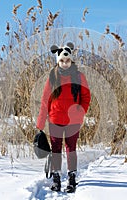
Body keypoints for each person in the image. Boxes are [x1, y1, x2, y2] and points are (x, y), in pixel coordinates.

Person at [36, 42, 91, 192]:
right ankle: (56, 178)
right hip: (55, 120)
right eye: (61, 61)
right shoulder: (52, 77)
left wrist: (81, 111)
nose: (65, 63)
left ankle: (72, 178)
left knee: (71, 149)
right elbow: (44, 100)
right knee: (56, 150)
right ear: (57, 61)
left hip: (73, 121)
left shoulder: (79, 77)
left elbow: (86, 97)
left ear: (71, 60)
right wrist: (40, 124)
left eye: (67, 61)